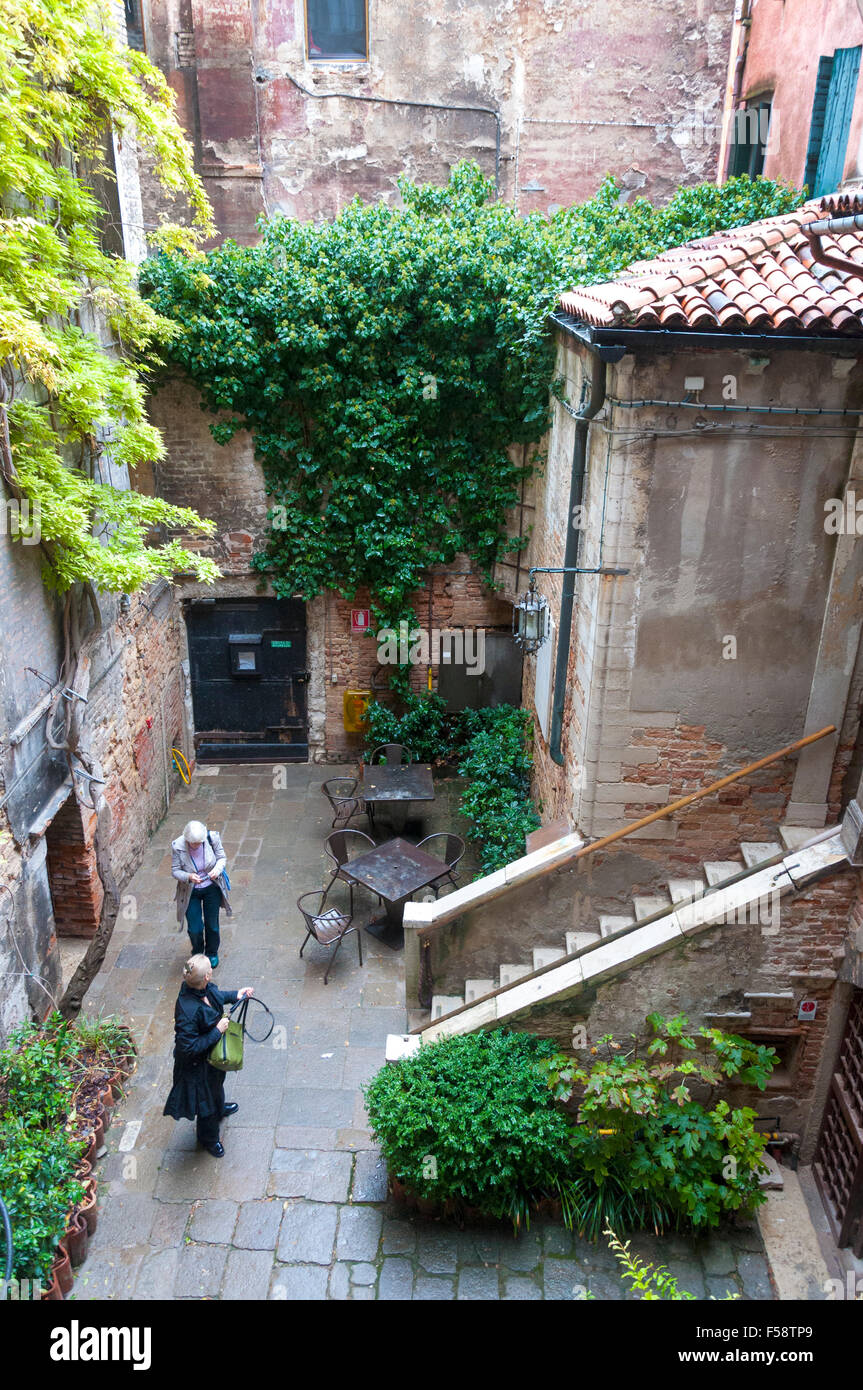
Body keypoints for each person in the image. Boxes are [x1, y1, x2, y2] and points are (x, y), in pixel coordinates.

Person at [163, 955, 254, 1157]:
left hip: (211, 1061)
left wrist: (237, 995)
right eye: (209, 972)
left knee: (216, 1088)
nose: (211, 975)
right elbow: (187, 1048)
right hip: (196, 1068)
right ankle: (209, 1139)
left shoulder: (200, 987)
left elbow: (217, 996)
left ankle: (220, 1108)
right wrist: (217, 1031)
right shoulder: (188, 1011)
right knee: (206, 1106)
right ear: (205, 978)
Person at [172, 819, 231, 968]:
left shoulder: (212, 838)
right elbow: (175, 870)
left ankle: (211, 953)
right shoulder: (178, 846)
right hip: (191, 891)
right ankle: (198, 954)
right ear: (187, 840)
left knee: (212, 925)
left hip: (212, 887)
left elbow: (221, 857)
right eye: (194, 843)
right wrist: (189, 877)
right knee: (195, 927)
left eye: (199, 842)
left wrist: (217, 870)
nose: (197, 845)